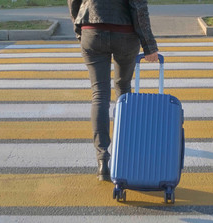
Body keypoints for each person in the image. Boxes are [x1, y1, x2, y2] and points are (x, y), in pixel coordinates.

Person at [68, 0, 159, 181]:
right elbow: (138, 7)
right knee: (123, 88)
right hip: (124, 33)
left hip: (91, 30)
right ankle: (125, 150)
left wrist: (79, 29)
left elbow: (73, 2)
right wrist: (149, 46)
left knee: (99, 95)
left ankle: (102, 159)